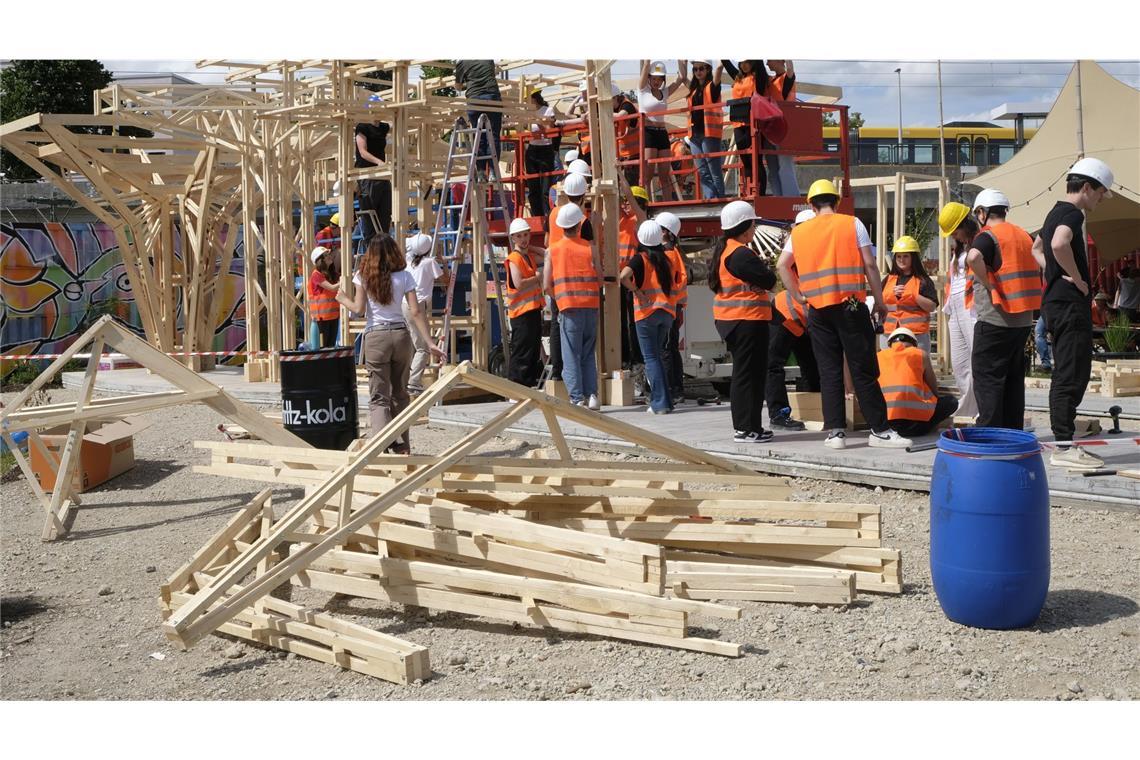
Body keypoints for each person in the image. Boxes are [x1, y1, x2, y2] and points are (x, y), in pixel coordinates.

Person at [777, 179, 911, 450]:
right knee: (863, 368)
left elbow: (782, 265)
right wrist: (881, 301)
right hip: (850, 306)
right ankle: (880, 430)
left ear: (812, 205)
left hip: (817, 309)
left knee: (829, 371)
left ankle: (836, 432)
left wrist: (798, 295)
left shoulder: (799, 233)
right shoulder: (852, 223)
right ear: (836, 202)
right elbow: (870, 264)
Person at [335, 235, 445, 452]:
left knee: (379, 397)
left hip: (376, 338)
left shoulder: (363, 276)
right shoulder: (404, 276)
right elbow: (415, 311)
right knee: (400, 393)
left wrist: (342, 298)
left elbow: (358, 310)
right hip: (400, 335)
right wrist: (429, 342)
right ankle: (403, 446)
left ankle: (382, 445)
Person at [1039, 157, 1115, 469]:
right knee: (1071, 373)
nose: (1100, 198)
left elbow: (1038, 249)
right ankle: (1063, 445)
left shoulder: (1053, 211)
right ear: (1086, 187)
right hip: (1069, 304)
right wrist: (1078, 279)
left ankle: (1065, 442)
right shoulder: (1071, 213)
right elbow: (1058, 244)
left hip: (1057, 301)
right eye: (1099, 193)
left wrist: (1056, 274)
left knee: (1070, 370)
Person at [948, 189, 1041, 432]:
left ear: (982, 213)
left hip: (995, 319)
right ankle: (1011, 433)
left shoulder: (989, 236)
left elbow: (973, 257)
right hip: (1022, 321)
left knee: (988, 381)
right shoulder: (1023, 235)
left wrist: (990, 284)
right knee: (1012, 383)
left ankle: (989, 434)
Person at [710, 200, 776, 442]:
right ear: (745, 226)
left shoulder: (727, 250)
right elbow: (769, 279)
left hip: (735, 321)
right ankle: (747, 428)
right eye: (753, 223)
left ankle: (749, 427)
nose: (756, 228)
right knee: (750, 376)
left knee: (746, 374)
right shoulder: (741, 254)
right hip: (746, 320)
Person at [765, 209, 820, 430]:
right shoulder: (799, 250)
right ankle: (779, 414)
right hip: (785, 317)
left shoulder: (804, 248)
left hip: (802, 320)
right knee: (773, 365)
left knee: (812, 366)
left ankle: (814, 409)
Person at [543, 203, 602, 410]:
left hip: (568, 308)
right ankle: (592, 395)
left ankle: (577, 398)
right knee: (587, 354)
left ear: (560, 227)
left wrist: (559, 299)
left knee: (571, 355)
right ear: (579, 225)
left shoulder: (553, 250)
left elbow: (546, 285)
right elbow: (600, 279)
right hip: (591, 307)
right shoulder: (590, 248)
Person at [621, 220, 676, 414]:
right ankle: (666, 401)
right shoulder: (666, 259)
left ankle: (659, 404)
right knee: (658, 357)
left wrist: (637, 291)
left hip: (647, 313)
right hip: (667, 313)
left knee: (651, 358)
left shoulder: (640, 259)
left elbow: (623, 276)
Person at [546, 172, 595, 382]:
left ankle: (558, 373)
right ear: (585, 193)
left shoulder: (554, 213)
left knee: (560, 334)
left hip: (560, 285)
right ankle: (583, 390)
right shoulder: (584, 222)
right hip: (582, 292)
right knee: (584, 350)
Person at [876, 327, 958, 437]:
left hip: (887, 426)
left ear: (890, 343)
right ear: (913, 343)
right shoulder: (920, 354)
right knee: (951, 401)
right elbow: (933, 386)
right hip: (915, 426)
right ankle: (931, 425)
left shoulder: (879, 356)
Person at [943, 230, 979, 418]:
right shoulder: (958, 251)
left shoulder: (977, 245)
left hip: (969, 306)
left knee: (976, 360)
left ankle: (978, 409)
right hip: (955, 306)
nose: (954, 236)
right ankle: (966, 409)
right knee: (959, 364)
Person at [506, 218, 545, 389]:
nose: (524, 239)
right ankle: (516, 387)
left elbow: (548, 253)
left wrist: (531, 248)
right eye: (519, 236)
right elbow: (519, 283)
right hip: (521, 314)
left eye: (526, 235)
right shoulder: (514, 258)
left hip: (533, 310)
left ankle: (527, 386)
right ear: (513, 238)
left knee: (532, 351)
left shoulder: (528, 255)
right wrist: (538, 278)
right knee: (522, 352)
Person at [403, 233, 445, 396]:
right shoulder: (430, 262)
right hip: (416, 307)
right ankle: (413, 382)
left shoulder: (408, 261)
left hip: (404, 304)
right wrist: (444, 262)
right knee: (423, 347)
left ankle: (407, 380)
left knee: (413, 345)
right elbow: (446, 281)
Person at [881, 235, 938, 353]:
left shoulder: (922, 281)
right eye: (899, 256)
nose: (902, 260)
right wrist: (891, 294)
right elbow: (879, 303)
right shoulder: (888, 280)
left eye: (906, 256)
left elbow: (932, 306)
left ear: (913, 258)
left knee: (916, 368)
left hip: (916, 335)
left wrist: (913, 295)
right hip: (889, 333)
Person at [638, 60, 686, 202]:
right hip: (648, 132)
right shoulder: (642, 90)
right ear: (649, 78)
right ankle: (646, 204)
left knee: (665, 174)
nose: (656, 81)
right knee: (648, 174)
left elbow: (681, 78)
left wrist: (681, 60)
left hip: (662, 133)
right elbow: (646, 65)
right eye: (654, 78)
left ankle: (668, 204)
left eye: (659, 79)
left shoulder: (664, 92)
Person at [720, 60, 768, 195]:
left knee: (756, 161)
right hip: (738, 123)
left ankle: (760, 194)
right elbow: (727, 63)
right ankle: (749, 192)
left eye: (748, 62)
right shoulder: (738, 77)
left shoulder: (758, 77)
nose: (744, 65)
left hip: (753, 124)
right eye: (741, 63)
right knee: (746, 161)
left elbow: (760, 68)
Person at [655, 211, 688, 405]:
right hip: (674, 307)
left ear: (667, 232)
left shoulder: (667, 255)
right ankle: (677, 390)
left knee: (666, 349)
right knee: (671, 349)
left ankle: (670, 390)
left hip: (668, 308)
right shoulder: (672, 252)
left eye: (659, 229)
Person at [684, 60, 726, 200]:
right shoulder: (693, 90)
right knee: (702, 172)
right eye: (695, 69)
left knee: (714, 171)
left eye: (701, 68)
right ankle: (710, 197)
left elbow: (719, 69)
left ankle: (719, 199)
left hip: (709, 134)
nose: (698, 72)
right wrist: (681, 62)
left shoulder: (712, 87)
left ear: (708, 69)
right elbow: (683, 77)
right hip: (694, 136)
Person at [455, 60, 503, 171]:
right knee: (493, 135)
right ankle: (493, 171)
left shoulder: (462, 62)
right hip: (492, 97)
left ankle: (480, 171)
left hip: (474, 98)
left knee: (479, 136)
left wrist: (467, 84)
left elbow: (458, 86)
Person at [355, 97, 392, 239]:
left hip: (382, 175)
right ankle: (371, 249)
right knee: (370, 216)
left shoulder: (383, 127)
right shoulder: (362, 127)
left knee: (385, 216)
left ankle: (384, 250)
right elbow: (363, 152)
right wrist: (379, 162)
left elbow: (397, 121)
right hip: (367, 175)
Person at [764, 60, 801, 197]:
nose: (767, 63)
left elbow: (790, 70)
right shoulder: (772, 81)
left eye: (769, 60)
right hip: (772, 129)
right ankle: (780, 198)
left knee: (785, 167)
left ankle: (791, 199)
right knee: (774, 169)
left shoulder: (786, 79)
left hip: (784, 130)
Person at [524, 91, 556, 218]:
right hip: (532, 150)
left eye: (528, 99)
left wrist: (536, 120)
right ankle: (537, 216)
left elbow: (550, 129)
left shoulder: (548, 110)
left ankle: (548, 215)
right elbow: (523, 128)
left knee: (545, 188)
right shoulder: (526, 113)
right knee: (533, 188)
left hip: (545, 149)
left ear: (534, 99)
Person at [308, 246, 341, 348]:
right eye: (326, 255)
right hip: (321, 319)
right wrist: (344, 280)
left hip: (333, 317)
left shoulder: (332, 274)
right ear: (320, 261)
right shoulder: (316, 275)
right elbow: (332, 288)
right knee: (323, 348)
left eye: (328, 254)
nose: (329, 257)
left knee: (330, 347)